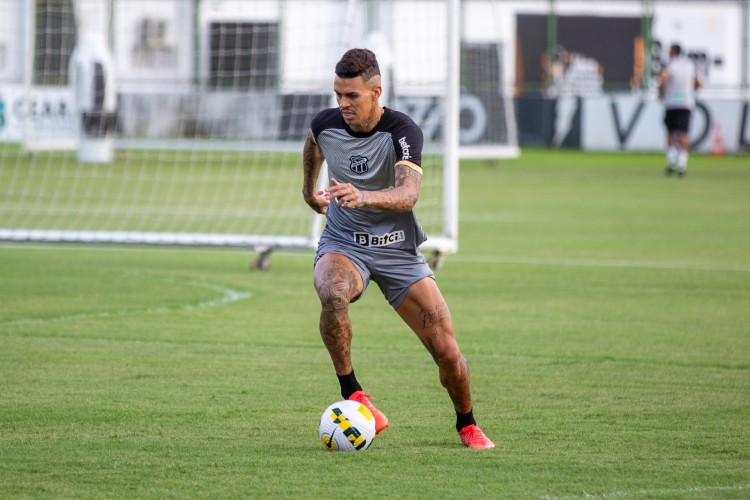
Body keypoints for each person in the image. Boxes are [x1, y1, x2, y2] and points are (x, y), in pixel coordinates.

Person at [302, 48, 494, 449]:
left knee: (448, 352)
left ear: (376, 91)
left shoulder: (403, 131)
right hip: (343, 243)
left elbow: (408, 195)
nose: (343, 104)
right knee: (332, 292)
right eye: (338, 94)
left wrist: (364, 195)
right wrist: (308, 193)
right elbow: (313, 144)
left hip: (397, 251)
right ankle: (353, 393)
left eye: (352, 95)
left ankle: (467, 424)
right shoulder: (327, 124)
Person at [659, 43, 702, 177]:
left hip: (672, 103)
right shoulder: (690, 65)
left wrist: (661, 93)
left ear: (673, 52)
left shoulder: (670, 64)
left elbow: (664, 78)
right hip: (686, 103)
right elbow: (698, 82)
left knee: (670, 133)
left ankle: (671, 162)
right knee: (684, 134)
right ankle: (682, 165)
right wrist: (691, 93)